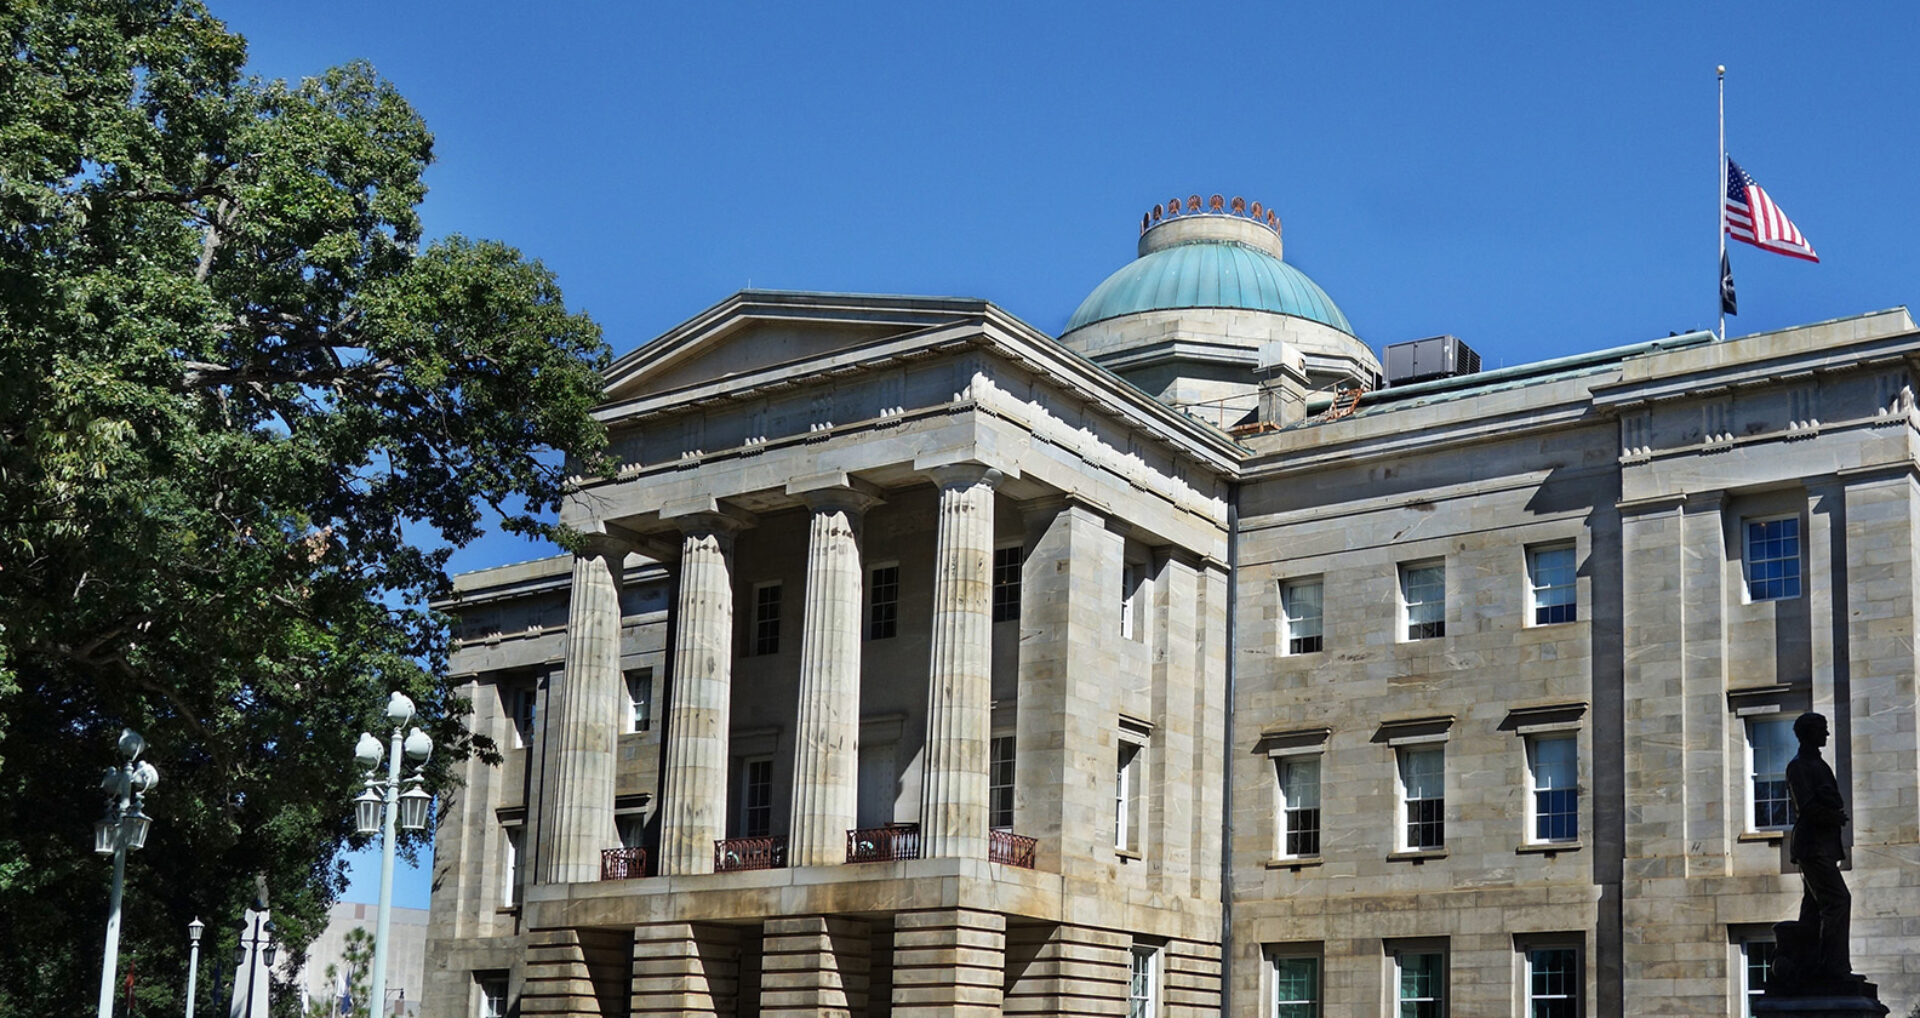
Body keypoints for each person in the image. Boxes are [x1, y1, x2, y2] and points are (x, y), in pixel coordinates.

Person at [1785, 711, 1851, 980]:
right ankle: (1834, 967)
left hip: (1823, 845)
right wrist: (1833, 814)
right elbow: (1807, 806)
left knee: (1812, 907)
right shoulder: (1799, 765)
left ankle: (1805, 963)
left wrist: (1832, 808)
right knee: (1838, 900)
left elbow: (1832, 798)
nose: (1827, 734)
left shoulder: (1819, 765)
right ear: (1808, 732)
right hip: (1811, 845)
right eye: (1822, 729)